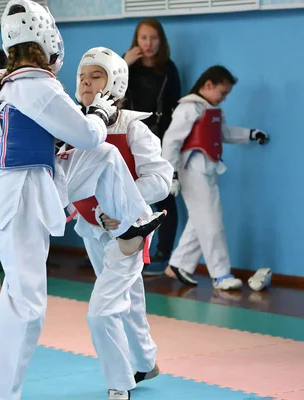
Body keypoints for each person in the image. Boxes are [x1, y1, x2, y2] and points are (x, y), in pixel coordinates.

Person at [0, 2, 165, 399]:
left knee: (105, 158)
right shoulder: (35, 83)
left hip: (33, 181)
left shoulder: (7, 79)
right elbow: (87, 134)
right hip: (22, 195)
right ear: (47, 36)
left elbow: (80, 143)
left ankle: (133, 224)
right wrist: (100, 114)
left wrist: (93, 118)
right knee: (26, 306)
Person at [61, 47, 172, 400]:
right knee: (130, 299)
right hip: (91, 229)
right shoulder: (74, 126)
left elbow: (161, 178)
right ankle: (145, 360)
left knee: (103, 309)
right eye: (82, 77)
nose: (86, 83)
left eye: (96, 76)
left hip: (129, 231)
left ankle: (119, 382)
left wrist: (122, 205)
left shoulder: (133, 128)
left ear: (116, 84)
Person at [161, 65, 269, 290]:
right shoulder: (189, 108)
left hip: (208, 169)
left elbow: (223, 133)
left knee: (201, 220)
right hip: (192, 170)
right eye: (222, 92)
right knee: (212, 222)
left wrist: (250, 134)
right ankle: (220, 274)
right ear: (208, 85)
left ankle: (179, 264)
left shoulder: (210, 109)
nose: (224, 98)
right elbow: (171, 140)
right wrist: (170, 173)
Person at [123, 18, 182, 269]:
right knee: (127, 192)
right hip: (131, 135)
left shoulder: (168, 68)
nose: (148, 44)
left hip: (159, 138)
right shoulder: (127, 67)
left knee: (164, 194)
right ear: (136, 40)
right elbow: (112, 94)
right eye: (143, 38)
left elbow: (175, 107)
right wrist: (124, 64)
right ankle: (128, 248)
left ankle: (162, 253)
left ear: (162, 41)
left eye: (153, 38)